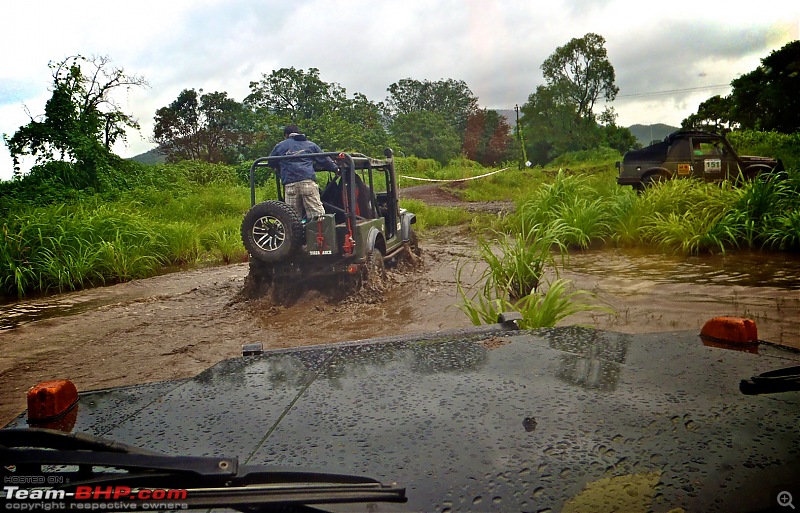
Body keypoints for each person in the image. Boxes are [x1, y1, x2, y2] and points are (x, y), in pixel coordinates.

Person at [269, 125, 338, 221]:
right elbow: (325, 160)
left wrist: (280, 168)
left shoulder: (280, 146)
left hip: (290, 184)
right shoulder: (310, 144)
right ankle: (320, 234)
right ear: (299, 132)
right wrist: (335, 169)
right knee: (318, 214)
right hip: (307, 182)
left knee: (292, 218)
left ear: (286, 135)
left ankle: (295, 236)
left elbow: (271, 162)